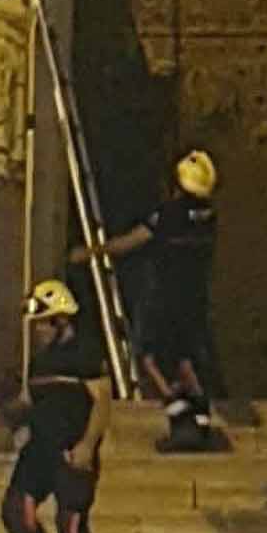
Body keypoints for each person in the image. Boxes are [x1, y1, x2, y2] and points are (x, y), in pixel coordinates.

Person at [71, 150, 219, 453]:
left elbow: (131, 241)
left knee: (148, 357)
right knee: (184, 359)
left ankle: (179, 417)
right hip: (195, 297)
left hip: (165, 295)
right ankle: (202, 419)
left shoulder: (168, 214)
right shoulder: (208, 216)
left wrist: (90, 252)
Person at [0, 279, 111, 533]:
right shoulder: (40, 361)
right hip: (40, 447)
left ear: (60, 321)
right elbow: (30, 402)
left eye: (42, 324)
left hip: (71, 448)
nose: (36, 332)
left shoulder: (85, 354)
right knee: (17, 510)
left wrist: (87, 445)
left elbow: (102, 401)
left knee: (71, 521)